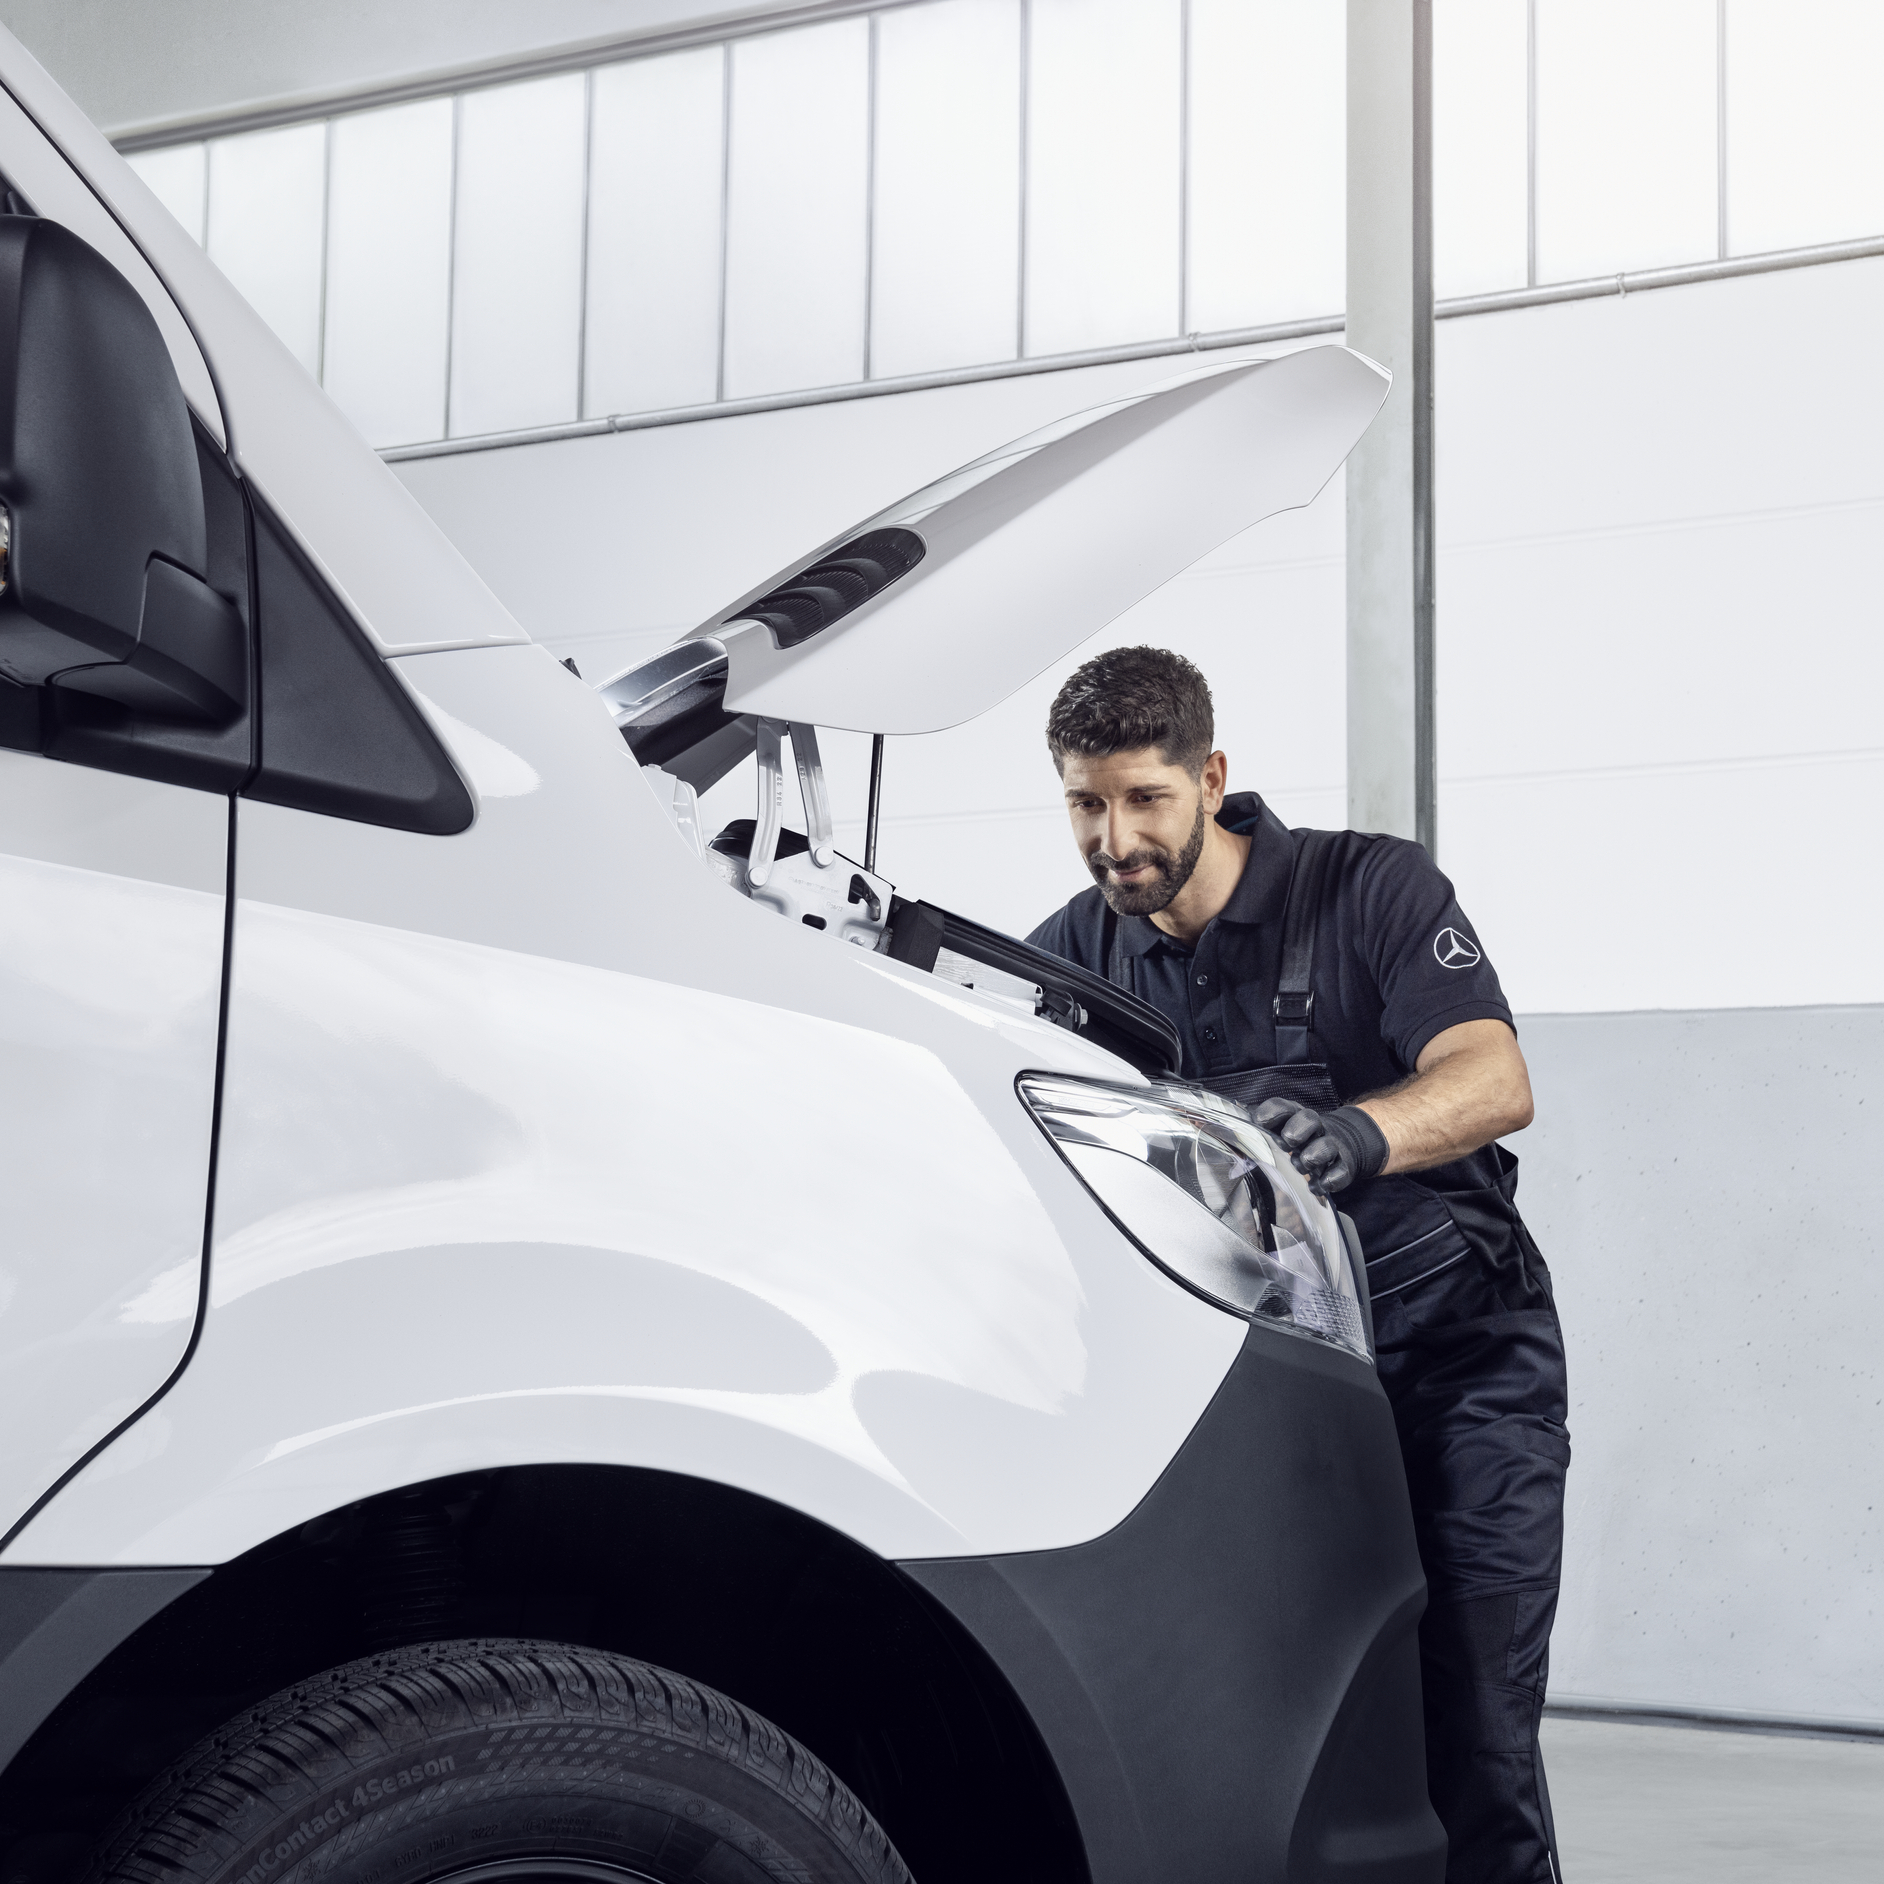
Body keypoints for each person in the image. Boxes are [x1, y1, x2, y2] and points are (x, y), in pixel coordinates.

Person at [1027, 645, 1569, 1884]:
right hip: (1259, 1406)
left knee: (1476, 1729)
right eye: (1085, 803)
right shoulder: (1070, 954)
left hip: (1461, 1376)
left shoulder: (1369, 890)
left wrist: (1358, 1133)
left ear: (1210, 777)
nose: (1114, 838)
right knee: (1278, 1737)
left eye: (1144, 798)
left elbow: (1496, 1081)